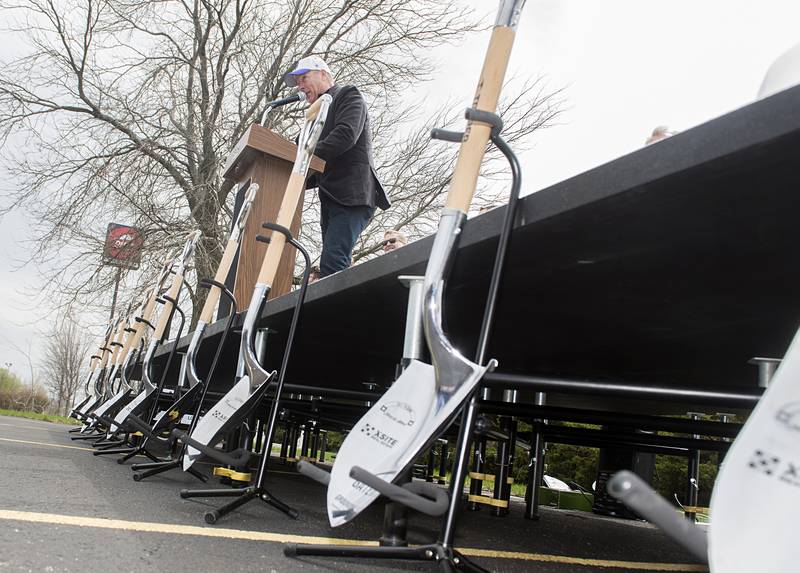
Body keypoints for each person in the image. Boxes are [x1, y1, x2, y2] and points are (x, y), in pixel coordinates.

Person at [284, 56, 390, 277]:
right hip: (331, 197)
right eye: (297, 83)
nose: (300, 86)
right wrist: (283, 174)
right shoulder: (314, 117)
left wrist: (302, 155)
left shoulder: (347, 95)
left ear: (323, 74)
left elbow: (346, 135)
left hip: (353, 195)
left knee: (332, 262)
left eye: (304, 78)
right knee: (333, 262)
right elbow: (314, 164)